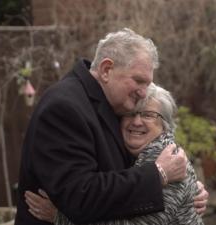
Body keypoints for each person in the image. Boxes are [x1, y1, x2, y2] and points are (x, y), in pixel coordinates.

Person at [15, 28, 206, 225]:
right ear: (106, 70)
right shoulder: (65, 107)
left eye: (147, 84)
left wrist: (188, 189)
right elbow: (81, 196)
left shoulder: (109, 103)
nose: (143, 93)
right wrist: (159, 175)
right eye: (139, 81)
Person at [25, 83, 205, 225]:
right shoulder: (137, 156)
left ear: (165, 125)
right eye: (130, 114)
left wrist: (58, 217)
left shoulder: (168, 161)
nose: (136, 121)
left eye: (148, 115)